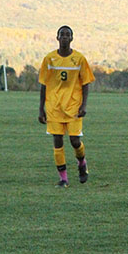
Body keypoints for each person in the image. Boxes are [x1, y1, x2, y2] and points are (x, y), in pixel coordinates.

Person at [38, 25, 95, 187]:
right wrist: (41, 108)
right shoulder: (49, 59)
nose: (64, 37)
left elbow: (85, 83)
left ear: (71, 38)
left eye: (67, 35)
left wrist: (83, 105)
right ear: (57, 38)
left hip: (73, 107)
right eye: (61, 34)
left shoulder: (79, 59)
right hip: (54, 107)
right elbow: (44, 84)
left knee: (75, 141)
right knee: (57, 141)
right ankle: (63, 179)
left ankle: (82, 162)